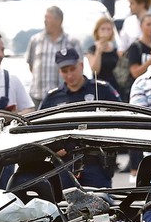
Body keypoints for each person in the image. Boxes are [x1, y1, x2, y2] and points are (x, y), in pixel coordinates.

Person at [39, 48, 121, 188]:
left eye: (72, 69)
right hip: (63, 164)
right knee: (63, 207)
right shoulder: (52, 98)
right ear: (59, 72)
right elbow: (39, 131)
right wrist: (52, 149)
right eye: (64, 71)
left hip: (97, 163)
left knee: (101, 204)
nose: (70, 75)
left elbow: (121, 118)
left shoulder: (102, 90)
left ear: (81, 66)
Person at [121, 12, 151, 179]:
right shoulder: (136, 47)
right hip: (136, 90)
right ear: (141, 26)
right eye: (148, 24)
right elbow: (134, 71)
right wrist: (150, 61)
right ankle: (135, 168)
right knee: (136, 128)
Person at [26, 6, 82, 107]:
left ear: (59, 20)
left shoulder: (72, 42)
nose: (45, 21)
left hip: (61, 98)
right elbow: (31, 66)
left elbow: (78, 68)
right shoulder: (35, 40)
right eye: (45, 17)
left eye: (48, 18)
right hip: (37, 97)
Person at [86, 16, 120, 91]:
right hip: (99, 86)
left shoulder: (115, 50)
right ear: (97, 31)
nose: (106, 32)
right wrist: (99, 51)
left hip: (114, 86)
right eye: (103, 29)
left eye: (108, 29)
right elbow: (95, 71)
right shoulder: (92, 50)